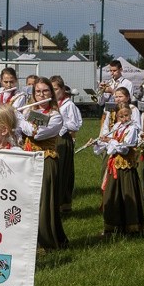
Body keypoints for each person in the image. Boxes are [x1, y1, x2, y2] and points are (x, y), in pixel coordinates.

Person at [17, 77, 68, 251]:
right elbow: (20, 133)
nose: (41, 95)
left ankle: (46, 241)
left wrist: (19, 120)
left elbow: (37, 134)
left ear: (51, 93)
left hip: (46, 160)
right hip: (28, 159)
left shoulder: (55, 116)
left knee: (44, 202)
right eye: (37, 91)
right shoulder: (28, 111)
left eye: (45, 91)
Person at [93, 103, 144, 235]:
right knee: (112, 194)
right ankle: (113, 226)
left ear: (130, 114)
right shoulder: (117, 126)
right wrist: (101, 141)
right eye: (120, 116)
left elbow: (124, 147)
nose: (123, 119)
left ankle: (131, 226)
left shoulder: (132, 128)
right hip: (114, 165)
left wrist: (111, 141)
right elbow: (111, 148)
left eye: (126, 115)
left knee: (127, 193)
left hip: (126, 166)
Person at [51, 76, 82, 213]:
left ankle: (62, 203)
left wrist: (61, 125)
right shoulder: (50, 103)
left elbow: (76, 124)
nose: (54, 92)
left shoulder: (68, 105)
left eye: (56, 89)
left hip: (63, 139)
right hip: (51, 138)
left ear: (63, 89)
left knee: (63, 170)